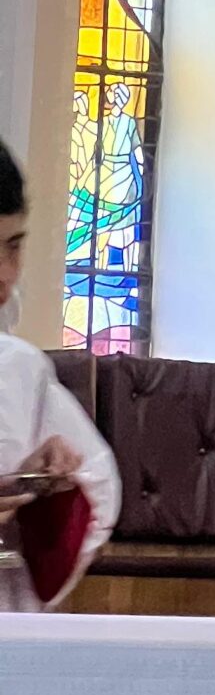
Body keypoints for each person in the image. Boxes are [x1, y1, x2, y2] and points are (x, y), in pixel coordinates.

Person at [0, 140, 119, 612]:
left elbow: (96, 490)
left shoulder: (19, 370)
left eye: (13, 247)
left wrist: (48, 488)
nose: (5, 276)